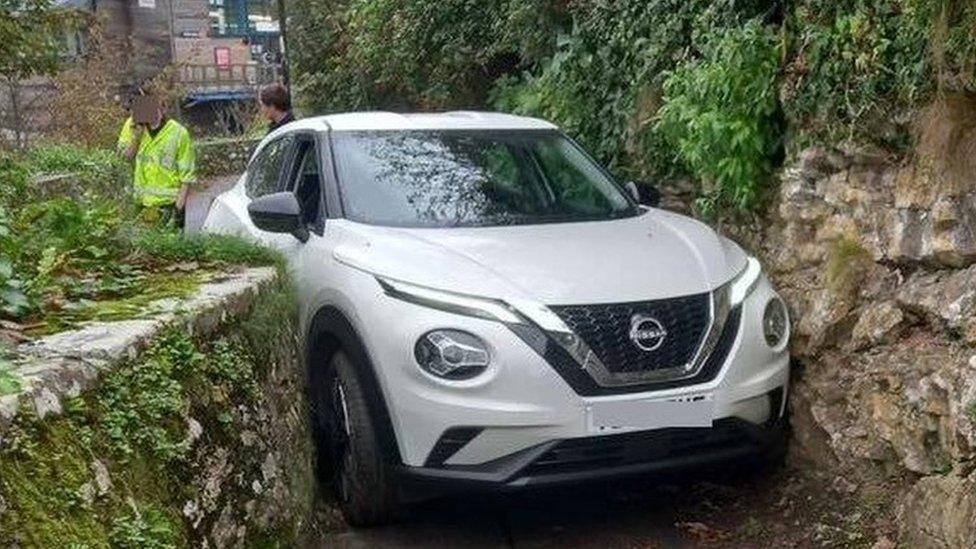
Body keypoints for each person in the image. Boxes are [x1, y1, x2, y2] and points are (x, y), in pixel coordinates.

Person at [117, 95, 196, 231]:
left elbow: (187, 175)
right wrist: (137, 136)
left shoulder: (178, 133)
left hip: (169, 203)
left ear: (161, 108)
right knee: (144, 249)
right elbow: (125, 157)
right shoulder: (133, 126)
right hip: (142, 202)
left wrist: (178, 208)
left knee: (171, 248)